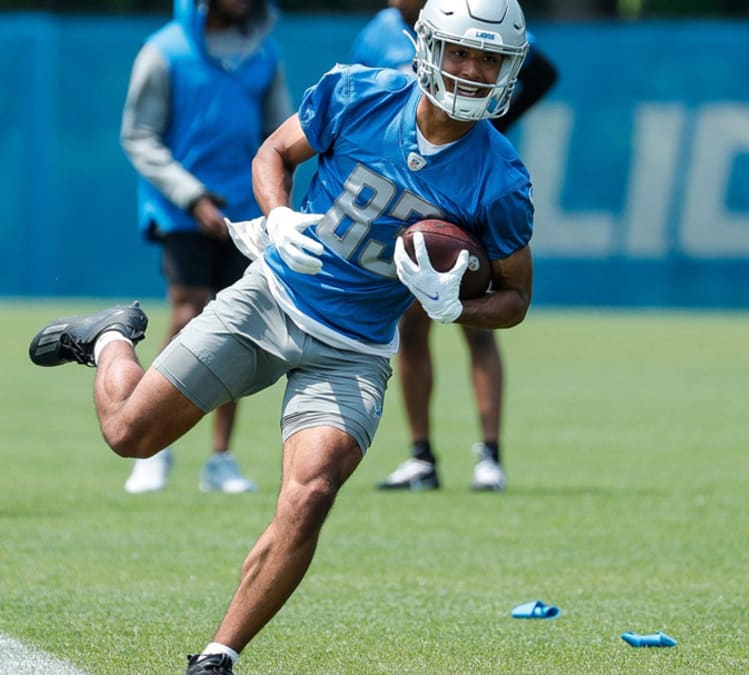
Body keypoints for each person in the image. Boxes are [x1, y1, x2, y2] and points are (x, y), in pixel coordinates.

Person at [29, 0, 535, 670]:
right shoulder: (360, 92)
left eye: (489, 59)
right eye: (463, 53)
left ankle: (218, 654)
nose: (473, 72)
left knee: (312, 490)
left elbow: (516, 297)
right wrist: (278, 215)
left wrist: (456, 308)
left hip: (354, 351)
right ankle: (110, 339)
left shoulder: (499, 176)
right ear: (430, 48)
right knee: (128, 432)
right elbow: (275, 150)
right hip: (273, 296)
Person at [352, 0, 557, 492]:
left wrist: (484, 123)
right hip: (404, 188)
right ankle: (421, 455)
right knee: (412, 324)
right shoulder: (376, 34)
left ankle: (490, 455)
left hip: (465, 181)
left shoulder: (468, 23)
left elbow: (542, 70)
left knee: (476, 314)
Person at [118, 0, 291, 494]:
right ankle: (154, 446)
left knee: (238, 322)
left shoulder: (263, 54)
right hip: (181, 209)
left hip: (246, 213)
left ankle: (220, 458)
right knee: (189, 312)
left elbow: (280, 135)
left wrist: (277, 207)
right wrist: (191, 196)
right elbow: (139, 137)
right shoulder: (163, 52)